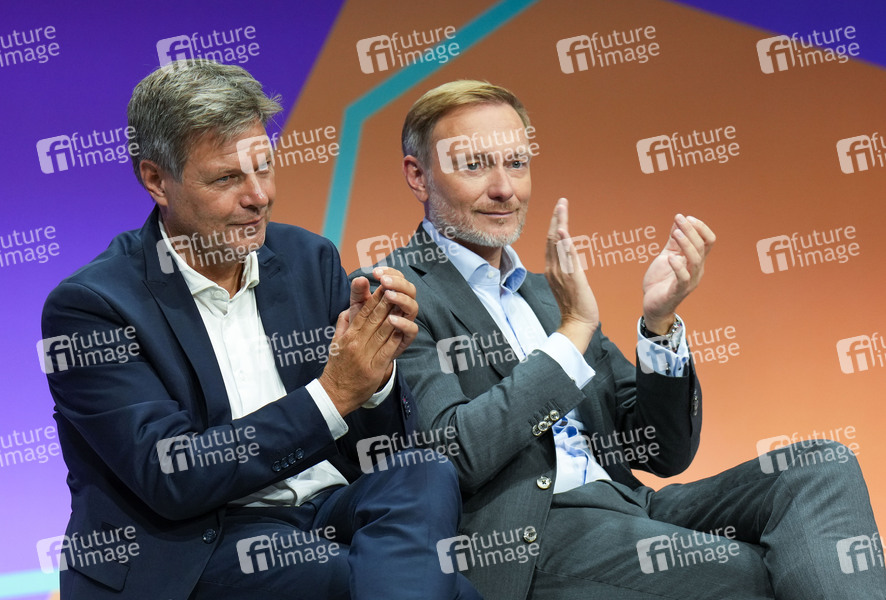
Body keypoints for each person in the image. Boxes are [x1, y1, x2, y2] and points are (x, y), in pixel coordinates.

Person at [356, 79, 886, 599]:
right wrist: (572, 333)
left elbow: (663, 451)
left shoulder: (545, 295)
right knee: (748, 570)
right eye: (475, 165)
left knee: (821, 466)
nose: (504, 188)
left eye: (516, 163)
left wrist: (659, 323)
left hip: (630, 507)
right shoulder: (395, 293)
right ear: (419, 176)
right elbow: (454, 454)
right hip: (527, 537)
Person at [39, 61, 481, 600]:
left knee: (423, 470)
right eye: (227, 178)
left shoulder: (307, 258)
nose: (259, 196)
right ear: (156, 180)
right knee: (434, 591)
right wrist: (333, 393)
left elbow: (377, 445)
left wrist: (375, 372)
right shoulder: (92, 307)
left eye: (264, 168)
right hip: (199, 541)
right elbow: (172, 477)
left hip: (326, 509)